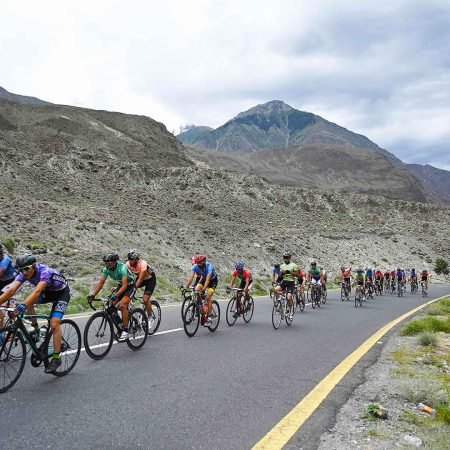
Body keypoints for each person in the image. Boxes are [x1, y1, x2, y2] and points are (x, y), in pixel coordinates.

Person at [0, 254, 70, 373]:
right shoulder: (23, 274)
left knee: (54, 324)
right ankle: (36, 330)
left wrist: (24, 305)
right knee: (29, 302)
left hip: (61, 293)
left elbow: (37, 291)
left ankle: (56, 358)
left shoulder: (45, 271)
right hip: (47, 292)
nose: (24, 272)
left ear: (33, 266)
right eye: (20, 270)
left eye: (26, 269)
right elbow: (11, 290)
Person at [88, 253, 136, 341]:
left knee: (122, 305)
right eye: (105, 264)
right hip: (120, 286)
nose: (107, 265)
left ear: (114, 262)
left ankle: (125, 330)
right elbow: (101, 283)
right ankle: (121, 324)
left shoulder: (122, 268)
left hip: (130, 286)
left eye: (109, 263)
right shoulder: (106, 269)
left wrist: (116, 295)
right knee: (110, 306)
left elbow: (125, 286)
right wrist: (93, 295)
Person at [126, 250, 157, 332]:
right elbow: (125, 277)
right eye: (129, 259)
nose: (130, 261)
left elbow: (140, 279)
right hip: (140, 278)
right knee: (127, 293)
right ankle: (135, 316)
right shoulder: (128, 264)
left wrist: (134, 288)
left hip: (150, 279)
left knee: (145, 299)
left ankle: (150, 317)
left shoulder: (143, 264)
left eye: (132, 259)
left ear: (137, 259)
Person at [185, 254, 218, 326]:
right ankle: (199, 307)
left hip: (212, 281)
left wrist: (203, 289)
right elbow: (191, 278)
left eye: (200, 263)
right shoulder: (195, 266)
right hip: (203, 279)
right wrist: (186, 287)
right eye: (197, 263)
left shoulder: (209, 267)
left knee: (208, 297)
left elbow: (208, 280)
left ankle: (209, 317)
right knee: (196, 290)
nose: (198, 265)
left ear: (203, 263)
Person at [274, 252, 299, 319]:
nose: (285, 259)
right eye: (284, 258)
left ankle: (290, 311)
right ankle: (278, 301)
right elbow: (280, 276)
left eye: (287, 258)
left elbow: (297, 274)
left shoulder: (294, 265)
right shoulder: (282, 266)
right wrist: (282, 273)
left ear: (290, 258)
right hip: (284, 282)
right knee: (275, 290)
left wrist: (290, 272)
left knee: (288, 297)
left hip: (291, 282)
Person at [0, 245, 18, 326]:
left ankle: (1, 330)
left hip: (13, 281)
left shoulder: (5, 260)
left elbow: (1, 272)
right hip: (3, 281)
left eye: (1, 253)